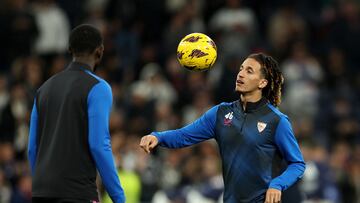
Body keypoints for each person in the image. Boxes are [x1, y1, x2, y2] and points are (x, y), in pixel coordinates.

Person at [140, 53, 306, 203]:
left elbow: (297, 164)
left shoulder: (277, 121)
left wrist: (277, 184)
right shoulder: (220, 113)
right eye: (241, 69)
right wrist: (158, 137)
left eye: (249, 71)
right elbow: (184, 136)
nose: (240, 74)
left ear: (263, 82)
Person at [28, 24, 125, 203]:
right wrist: (119, 198)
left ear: (70, 50)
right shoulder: (99, 88)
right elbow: (99, 145)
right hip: (77, 192)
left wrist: (41, 185)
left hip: (41, 192)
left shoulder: (44, 88)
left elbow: (32, 147)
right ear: (100, 51)